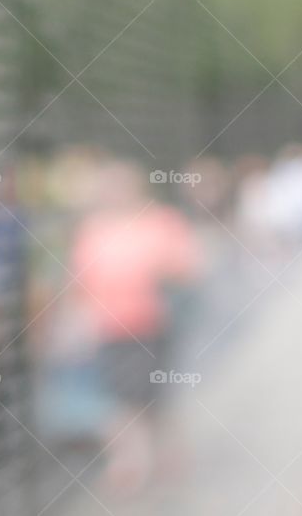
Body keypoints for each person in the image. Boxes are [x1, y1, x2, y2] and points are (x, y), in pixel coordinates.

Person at [69, 159, 201, 493]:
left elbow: (186, 269)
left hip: (152, 323)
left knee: (152, 395)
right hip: (111, 326)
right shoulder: (94, 228)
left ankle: (156, 455)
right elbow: (80, 280)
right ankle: (133, 462)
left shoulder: (161, 222)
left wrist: (160, 274)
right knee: (125, 397)